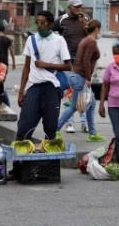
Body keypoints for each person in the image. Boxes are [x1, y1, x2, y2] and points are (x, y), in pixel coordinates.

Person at [16, 11, 71, 143]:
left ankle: (49, 159)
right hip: (34, 87)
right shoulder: (31, 39)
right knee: (24, 126)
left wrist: (46, 64)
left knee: (50, 127)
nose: (40, 26)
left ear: (50, 24)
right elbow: (26, 67)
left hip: (51, 87)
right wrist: (21, 91)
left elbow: (68, 66)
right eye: (38, 23)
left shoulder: (59, 40)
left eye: (43, 23)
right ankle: (21, 160)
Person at [57, 19, 105, 142]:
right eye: (99, 29)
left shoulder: (85, 40)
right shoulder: (91, 41)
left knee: (91, 104)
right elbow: (86, 60)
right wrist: (88, 78)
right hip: (81, 78)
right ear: (96, 29)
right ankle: (54, 130)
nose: (100, 31)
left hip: (77, 76)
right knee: (74, 106)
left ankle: (92, 133)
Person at [51, 0, 90, 134]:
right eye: (76, 7)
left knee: (83, 93)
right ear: (70, 7)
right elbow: (50, 33)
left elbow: (90, 36)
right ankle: (70, 122)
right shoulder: (61, 20)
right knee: (70, 92)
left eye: (80, 6)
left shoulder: (85, 19)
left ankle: (84, 123)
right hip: (68, 61)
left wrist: (84, 23)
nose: (79, 9)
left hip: (82, 61)